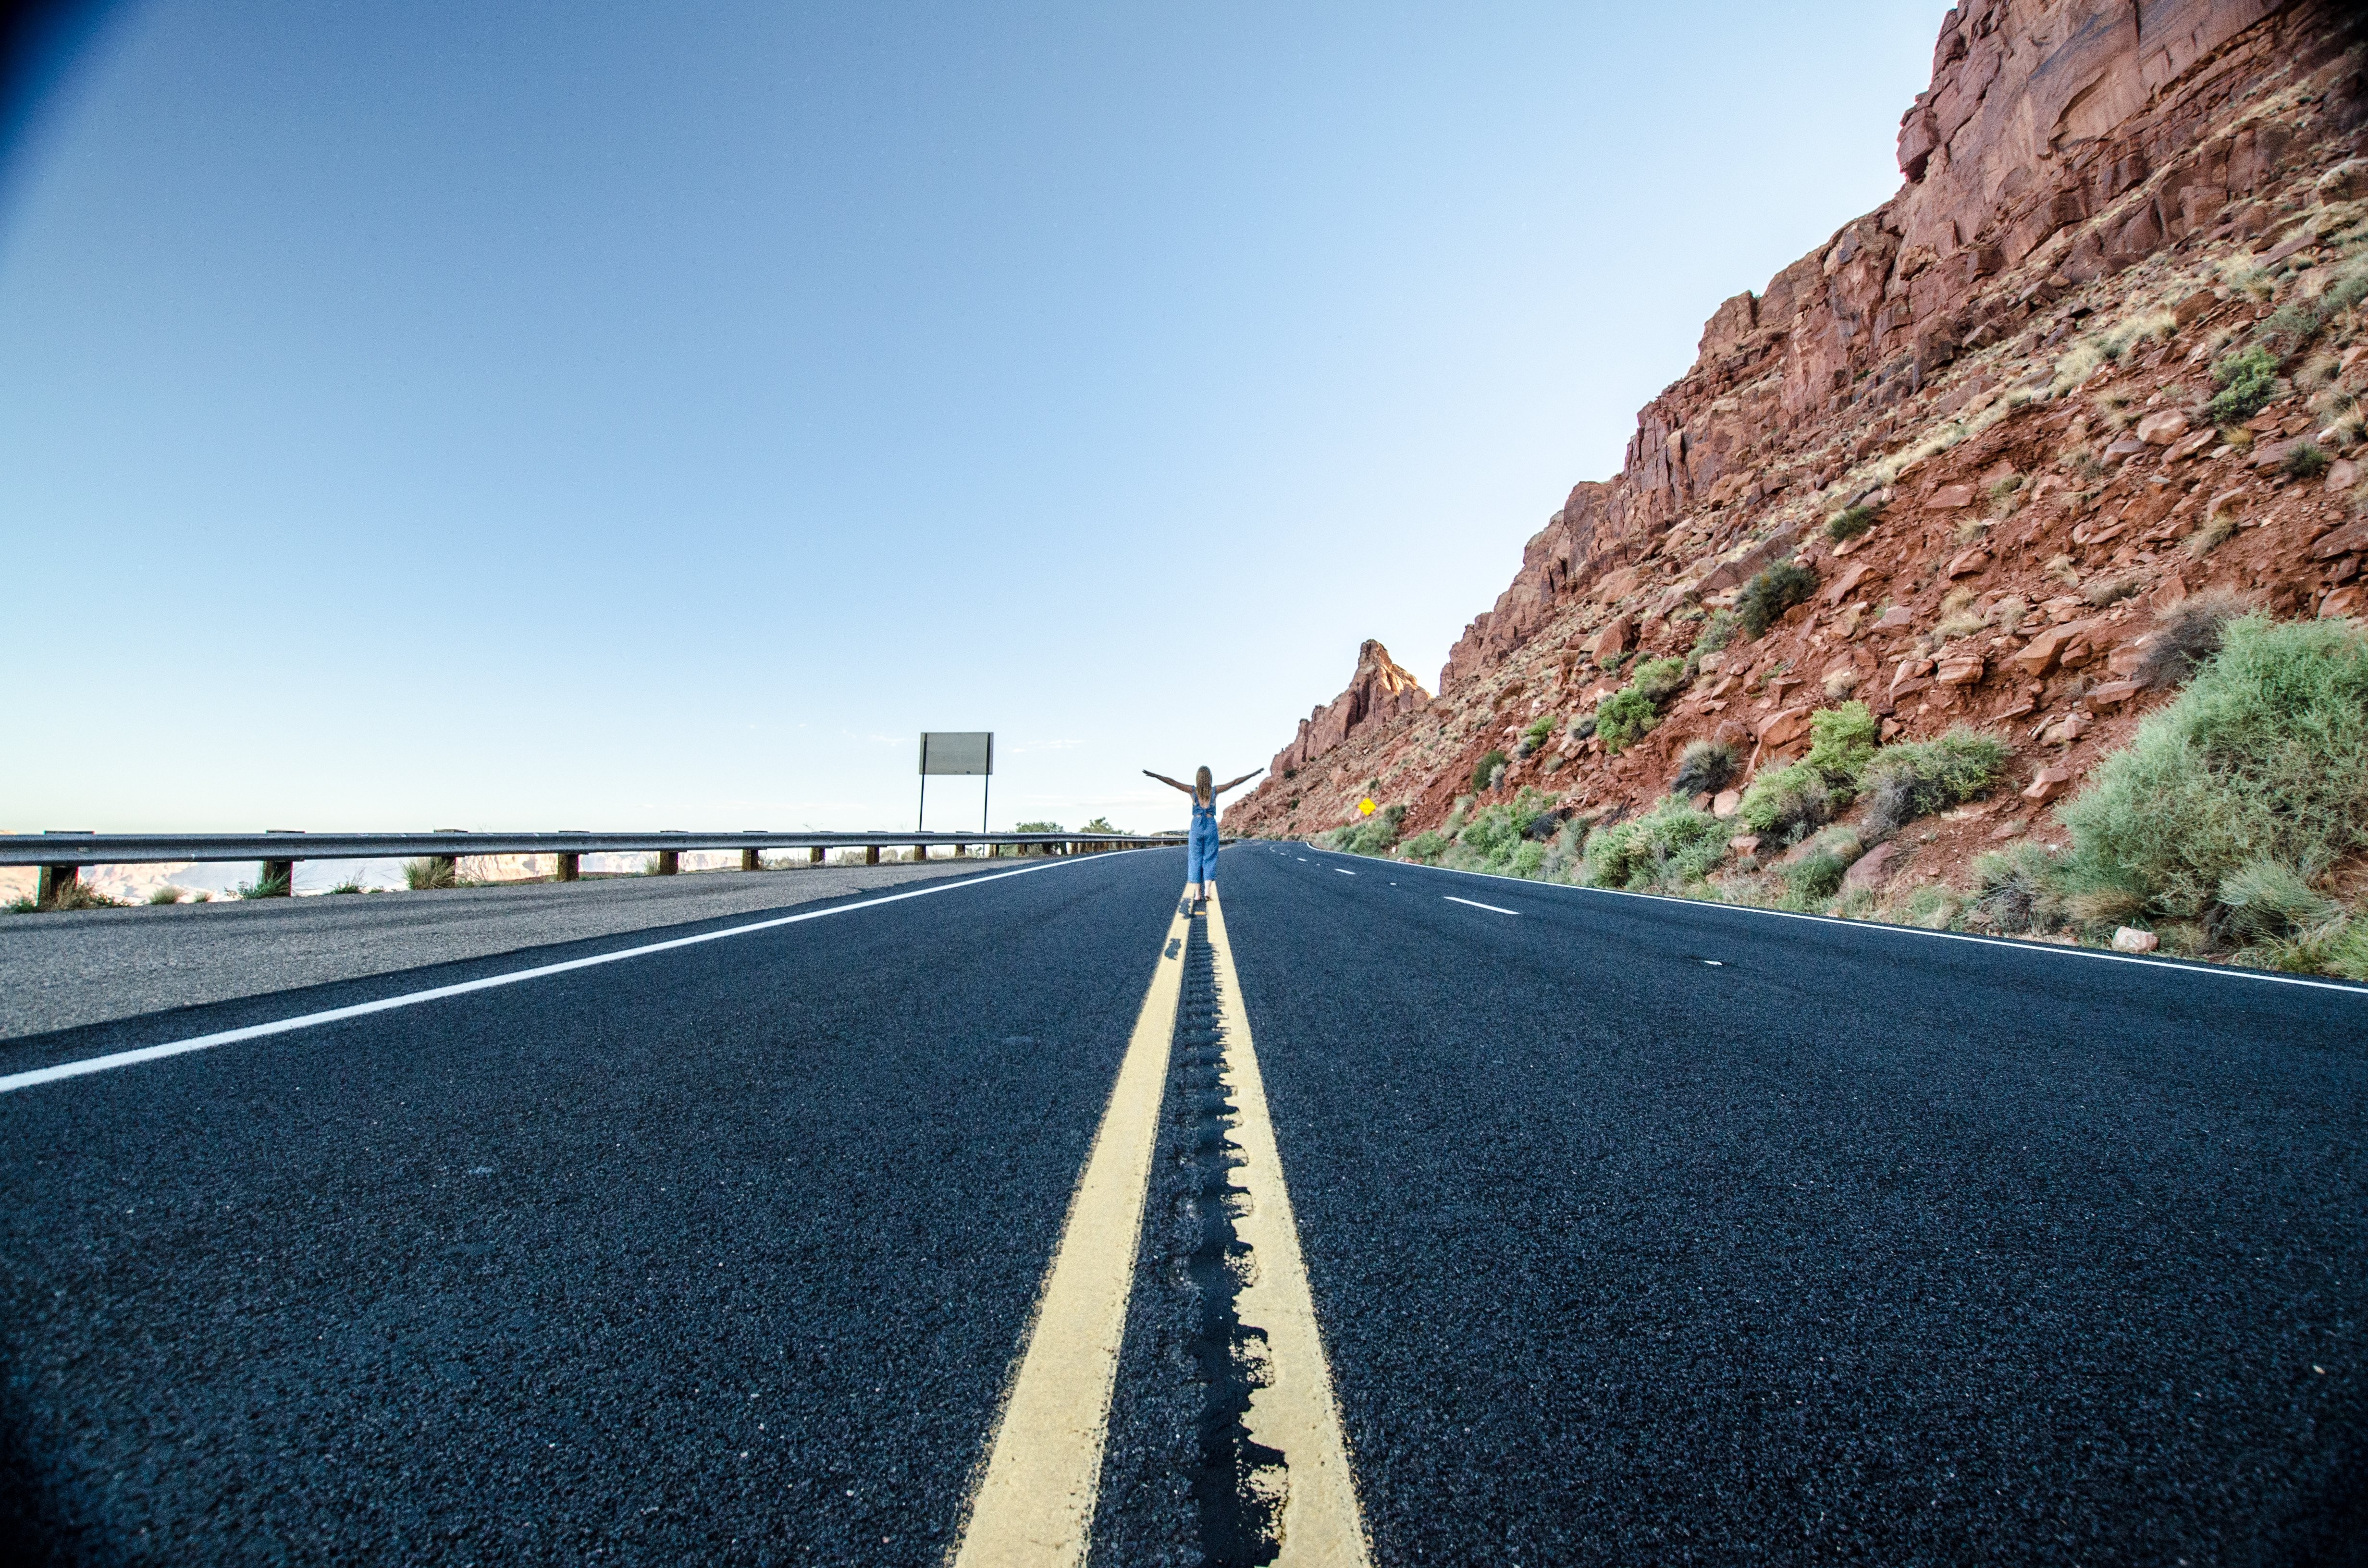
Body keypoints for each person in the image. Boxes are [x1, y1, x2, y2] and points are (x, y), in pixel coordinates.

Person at [1143, 764, 1260, 911]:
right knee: (1210, 857)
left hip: (1197, 826)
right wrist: (1253, 774)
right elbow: (1235, 782)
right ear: (1210, 778)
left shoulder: (1192, 791)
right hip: (1211, 825)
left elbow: (1173, 782)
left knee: (1195, 858)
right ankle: (1207, 891)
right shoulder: (1215, 791)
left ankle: (1198, 894)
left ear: (1198, 778)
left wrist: (1155, 775)